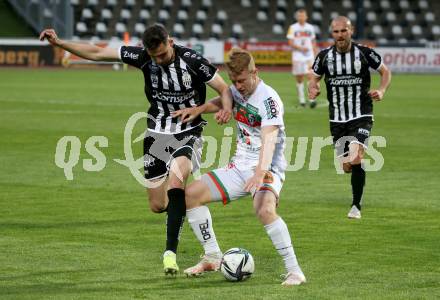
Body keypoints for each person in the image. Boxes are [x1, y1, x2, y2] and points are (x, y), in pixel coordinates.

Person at [39, 24, 232, 275]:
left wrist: (225, 108)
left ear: (170, 42)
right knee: (157, 204)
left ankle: (170, 254)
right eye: (154, 57)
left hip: (188, 132)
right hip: (156, 135)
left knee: (176, 179)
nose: (159, 60)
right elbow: (97, 52)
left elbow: (225, 89)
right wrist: (61, 43)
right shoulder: (143, 57)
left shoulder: (193, 61)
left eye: (163, 54)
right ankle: (183, 204)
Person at [173, 48, 306, 286]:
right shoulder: (237, 90)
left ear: (255, 72)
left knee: (264, 209)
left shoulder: (269, 100)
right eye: (234, 81)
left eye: (242, 80)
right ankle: (212, 255)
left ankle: (294, 270)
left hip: (268, 168)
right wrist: (199, 109)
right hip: (238, 167)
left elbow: (269, 139)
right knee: (190, 195)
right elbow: (224, 98)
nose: (238, 85)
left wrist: (260, 173)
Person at [308, 16, 392, 219]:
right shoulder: (324, 56)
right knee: (346, 166)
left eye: (343, 31)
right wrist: (314, 86)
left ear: (351, 30)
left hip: (361, 114)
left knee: (356, 156)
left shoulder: (364, 53)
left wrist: (381, 90)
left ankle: (356, 206)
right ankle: (355, 181)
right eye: (336, 32)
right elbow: (314, 77)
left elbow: (385, 72)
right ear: (332, 34)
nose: (340, 35)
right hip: (337, 119)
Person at [286, 9, 318, 108]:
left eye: (303, 16)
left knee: (310, 76)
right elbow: (290, 42)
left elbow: (313, 42)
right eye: (299, 16)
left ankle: (312, 99)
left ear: (306, 17)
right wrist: (301, 48)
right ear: (297, 17)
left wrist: (315, 52)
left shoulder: (310, 27)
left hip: (309, 55)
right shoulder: (292, 28)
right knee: (299, 78)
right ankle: (302, 100)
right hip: (297, 56)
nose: (301, 17)